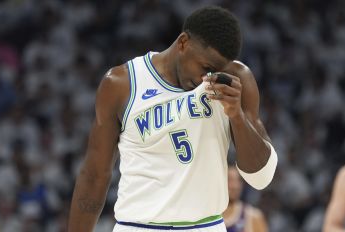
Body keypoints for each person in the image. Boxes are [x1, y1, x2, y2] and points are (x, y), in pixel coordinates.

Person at [68, 6, 278, 232]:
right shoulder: (122, 83)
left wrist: (236, 115)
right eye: (205, 67)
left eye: (215, 70)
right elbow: (94, 176)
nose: (204, 79)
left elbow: (261, 178)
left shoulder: (235, 81)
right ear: (183, 43)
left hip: (205, 225)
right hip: (138, 226)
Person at [223, 165, 268, 232]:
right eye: (230, 180)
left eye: (239, 180)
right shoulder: (208, 215)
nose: (235, 186)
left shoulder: (253, 216)